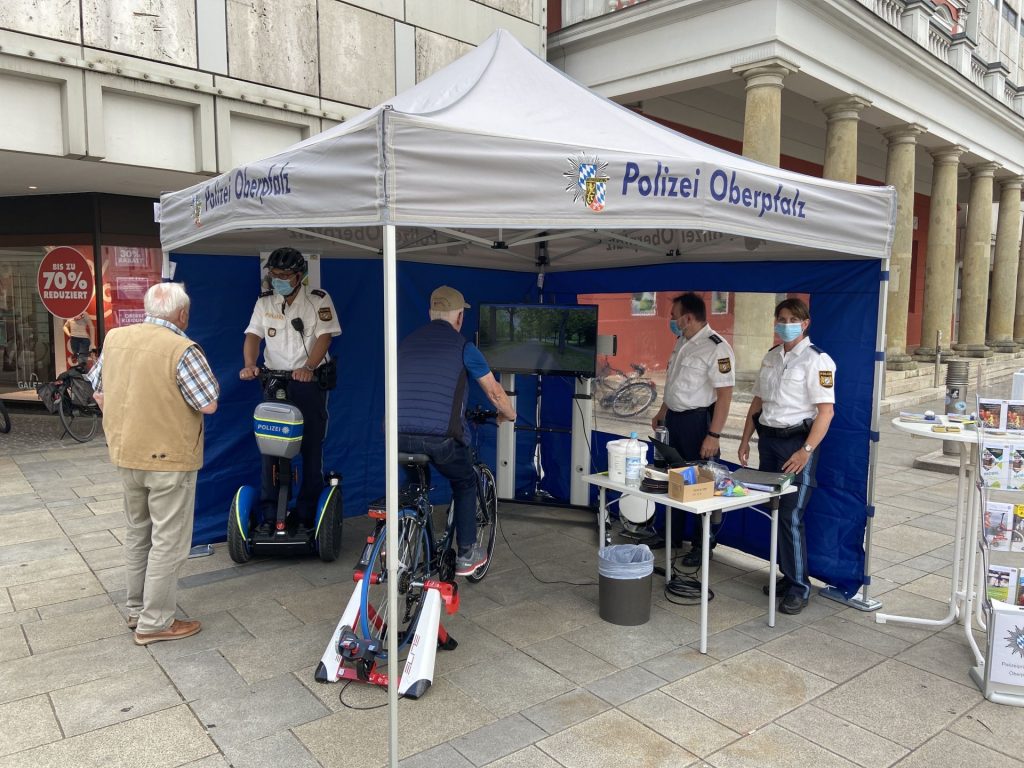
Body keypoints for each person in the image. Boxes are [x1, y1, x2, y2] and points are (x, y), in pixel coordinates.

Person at [88, 283, 219, 644]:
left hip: (126, 452)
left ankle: (136, 610)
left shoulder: (116, 338)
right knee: (169, 541)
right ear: (182, 314)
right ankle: (156, 622)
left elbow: (96, 389)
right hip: (169, 458)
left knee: (137, 534)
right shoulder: (182, 348)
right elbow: (208, 402)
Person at [397, 286, 516, 576]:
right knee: (464, 481)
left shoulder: (407, 342)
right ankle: (466, 553)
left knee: (414, 487)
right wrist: (509, 414)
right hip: (441, 438)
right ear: (460, 317)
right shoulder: (465, 347)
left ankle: (400, 541)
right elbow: (494, 391)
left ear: (430, 313)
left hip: (397, 435)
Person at [738, 297, 835, 615]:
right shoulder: (771, 357)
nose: (784, 323)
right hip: (769, 442)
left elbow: (826, 412)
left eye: (792, 319)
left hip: (797, 445)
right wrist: (745, 440)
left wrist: (806, 451)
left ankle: (799, 586)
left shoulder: (818, 361)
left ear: (805, 323)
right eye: (780, 318)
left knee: (791, 517)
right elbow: (757, 403)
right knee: (776, 513)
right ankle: (786, 574)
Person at [239, 247, 341, 529]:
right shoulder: (265, 303)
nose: (278, 280)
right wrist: (249, 364)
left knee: (310, 448)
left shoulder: (318, 300)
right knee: (270, 449)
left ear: (299, 276)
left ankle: (308, 513)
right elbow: (252, 336)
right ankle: (271, 514)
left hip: (307, 383)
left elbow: (325, 338)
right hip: (274, 381)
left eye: (284, 275)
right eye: (274, 275)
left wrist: (308, 368)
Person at [651, 292, 735, 566]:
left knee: (702, 484)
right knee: (673, 477)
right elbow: (676, 383)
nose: (672, 321)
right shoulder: (683, 341)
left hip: (699, 423)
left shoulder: (716, 348)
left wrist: (714, 434)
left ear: (688, 318)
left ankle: (702, 546)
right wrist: (663, 412)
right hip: (674, 419)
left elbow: (724, 396)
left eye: (674, 317)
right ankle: (671, 535)